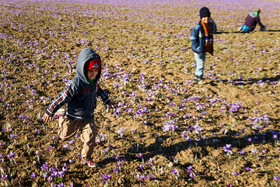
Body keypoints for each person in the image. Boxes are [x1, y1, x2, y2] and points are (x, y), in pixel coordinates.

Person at [43, 48, 114, 168]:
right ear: (83, 70)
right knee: (64, 135)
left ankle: (86, 158)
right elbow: (62, 98)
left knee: (90, 138)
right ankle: (61, 116)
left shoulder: (94, 82)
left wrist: (107, 100)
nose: (94, 74)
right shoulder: (75, 84)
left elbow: (99, 91)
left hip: (88, 116)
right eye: (90, 71)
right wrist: (50, 110)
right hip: (73, 116)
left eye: (96, 71)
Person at [190, 7, 214, 83]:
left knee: (201, 62)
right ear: (201, 18)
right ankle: (198, 77)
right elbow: (193, 38)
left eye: (208, 17)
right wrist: (198, 47)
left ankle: (198, 76)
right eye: (204, 17)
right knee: (201, 63)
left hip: (203, 48)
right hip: (198, 49)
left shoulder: (210, 25)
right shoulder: (198, 28)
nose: (206, 18)